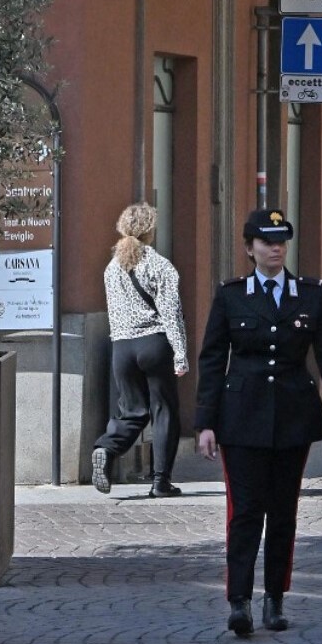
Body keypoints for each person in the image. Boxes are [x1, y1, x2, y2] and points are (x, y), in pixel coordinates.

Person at [193, 209, 322, 638]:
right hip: (240, 418)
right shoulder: (231, 295)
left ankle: (275, 597)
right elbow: (211, 360)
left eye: (281, 242)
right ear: (249, 249)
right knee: (245, 512)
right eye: (266, 242)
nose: (275, 248)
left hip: (294, 417)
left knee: (283, 513)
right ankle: (239, 599)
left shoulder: (310, 294)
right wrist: (205, 423)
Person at [90, 202, 188, 498]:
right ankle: (160, 482)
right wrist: (180, 353)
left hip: (122, 348)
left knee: (133, 410)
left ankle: (107, 449)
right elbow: (171, 313)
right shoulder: (160, 266)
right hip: (153, 344)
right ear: (151, 231)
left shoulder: (111, 269)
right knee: (164, 410)